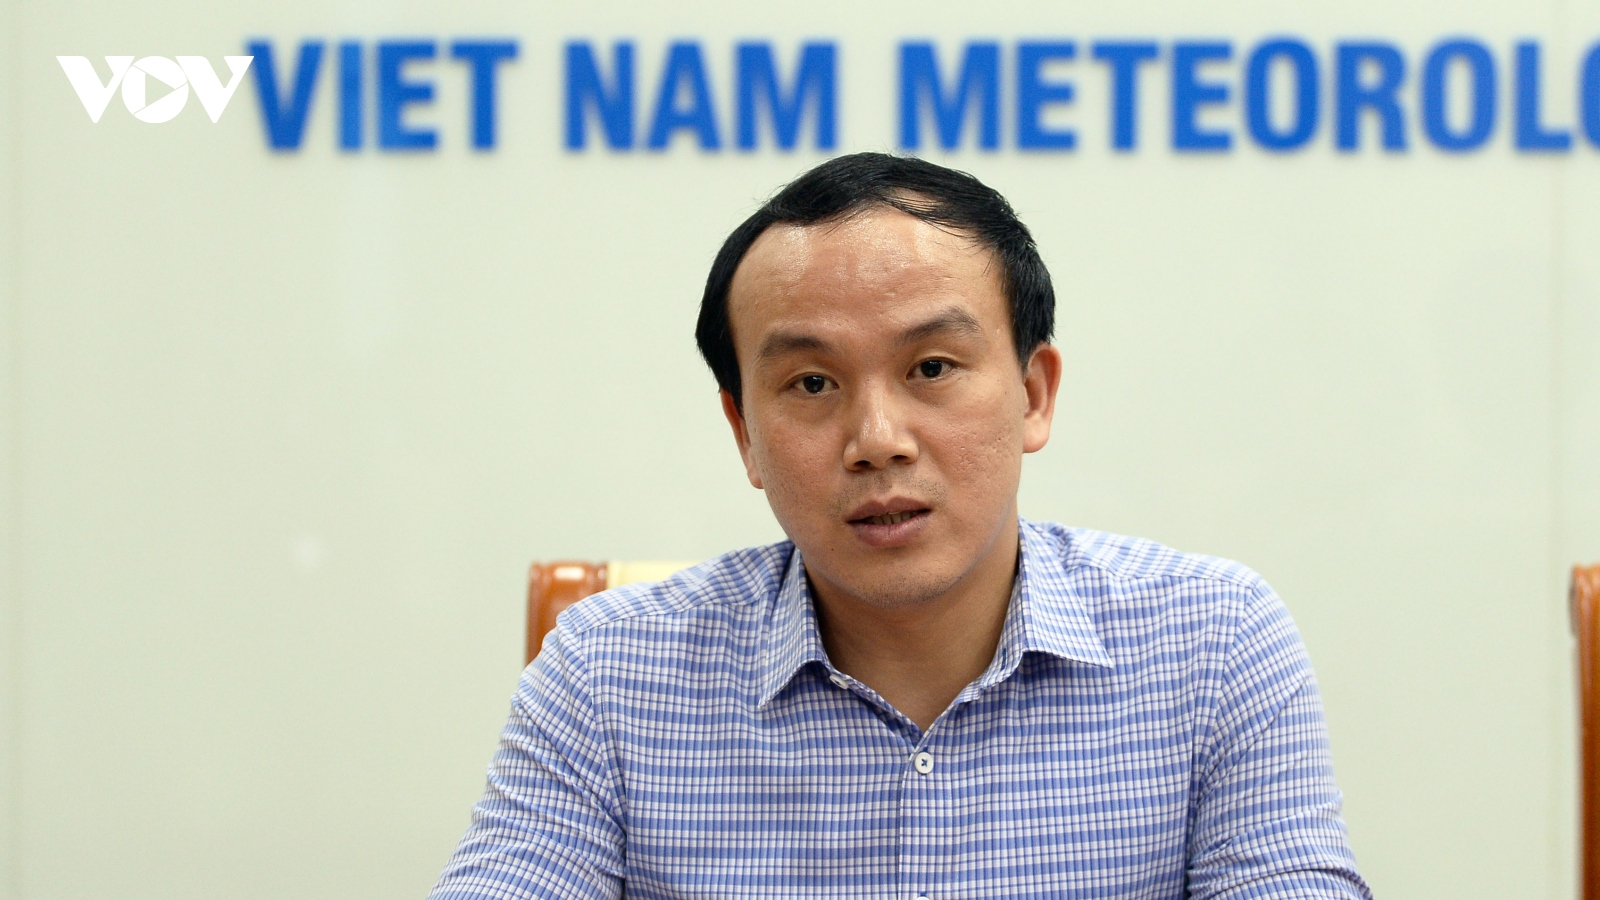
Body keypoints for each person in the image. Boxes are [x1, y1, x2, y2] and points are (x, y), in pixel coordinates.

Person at [427, 153, 1371, 899]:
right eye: (812, 383)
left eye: (931, 368)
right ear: (744, 432)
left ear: (1034, 393)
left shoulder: (1212, 641)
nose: (877, 440)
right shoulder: (607, 674)